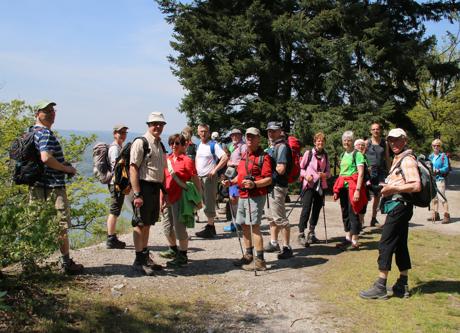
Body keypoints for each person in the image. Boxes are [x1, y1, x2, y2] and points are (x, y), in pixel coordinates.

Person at [360, 128, 421, 300]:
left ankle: (381, 285)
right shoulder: (399, 158)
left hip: (399, 206)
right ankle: (402, 284)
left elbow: (416, 185)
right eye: (391, 140)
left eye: (397, 140)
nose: (393, 143)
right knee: (400, 244)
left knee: (385, 242)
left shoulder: (407, 160)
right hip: (401, 206)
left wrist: (393, 188)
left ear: (405, 140)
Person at [29, 100, 83, 275]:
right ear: (37, 113)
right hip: (52, 187)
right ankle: (66, 263)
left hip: (36, 185)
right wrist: (66, 168)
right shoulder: (44, 133)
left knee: (35, 224)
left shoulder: (31, 132)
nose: (51, 113)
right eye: (46, 111)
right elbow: (45, 158)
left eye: (53, 110)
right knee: (61, 226)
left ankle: (29, 262)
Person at [222, 127, 272, 271]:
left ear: (258, 139)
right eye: (248, 136)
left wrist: (254, 184)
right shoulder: (245, 154)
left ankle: (260, 261)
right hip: (243, 194)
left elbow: (268, 179)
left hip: (255, 196)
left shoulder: (264, 157)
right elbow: (241, 175)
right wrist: (230, 182)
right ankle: (249, 255)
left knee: (254, 227)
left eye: (253, 137)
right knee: (244, 225)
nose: (249, 139)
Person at [130, 112, 167, 275]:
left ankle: (144, 256)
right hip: (143, 187)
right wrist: (137, 194)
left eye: (160, 124)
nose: (157, 126)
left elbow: (162, 171)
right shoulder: (141, 142)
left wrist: (163, 193)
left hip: (154, 188)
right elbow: (133, 168)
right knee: (140, 224)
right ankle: (138, 260)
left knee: (148, 223)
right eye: (154, 124)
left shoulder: (159, 144)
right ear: (148, 125)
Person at [159, 134, 202, 267]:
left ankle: (182, 255)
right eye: (171, 143)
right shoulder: (167, 159)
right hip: (167, 198)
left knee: (179, 228)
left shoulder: (187, 160)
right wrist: (161, 198)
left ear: (184, 145)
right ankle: (173, 249)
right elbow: (163, 180)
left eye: (177, 143)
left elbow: (194, 179)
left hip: (180, 198)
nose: (173, 146)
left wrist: (198, 197)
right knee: (166, 227)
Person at [333, 131, 367, 249]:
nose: (346, 142)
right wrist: (336, 189)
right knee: (345, 212)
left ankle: (355, 239)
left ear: (353, 142)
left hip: (353, 187)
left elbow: (361, 173)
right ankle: (347, 238)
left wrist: (358, 190)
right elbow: (342, 173)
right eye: (345, 140)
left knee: (354, 212)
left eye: (349, 140)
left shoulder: (357, 155)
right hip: (343, 187)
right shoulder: (343, 155)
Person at [264, 121, 293, 259]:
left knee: (280, 218)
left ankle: (287, 247)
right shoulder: (273, 146)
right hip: (271, 186)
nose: (271, 133)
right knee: (271, 217)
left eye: (274, 130)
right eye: (269, 130)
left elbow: (281, 169)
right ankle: (274, 242)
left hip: (277, 186)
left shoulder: (281, 147)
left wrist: (267, 176)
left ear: (280, 131)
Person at [194, 124, 229, 238]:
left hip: (209, 177)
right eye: (201, 131)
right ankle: (210, 226)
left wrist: (215, 170)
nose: (203, 133)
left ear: (209, 132)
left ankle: (210, 227)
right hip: (200, 177)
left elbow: (224, 157)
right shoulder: (200, 145)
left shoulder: (213, 145)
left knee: (209, 202)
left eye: (205, 131)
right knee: (205, 201)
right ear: (198, 132)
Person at [297, 132, 331, 247]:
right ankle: (301, 234)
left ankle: (311, 232)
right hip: (309, 185)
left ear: (324, 142)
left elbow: (329, 172)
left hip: (320, 185)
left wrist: (324, 175)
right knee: (306, 208)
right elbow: (300, 168)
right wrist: (306, 176)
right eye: (318, 140)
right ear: (315, 142)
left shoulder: (326, 155)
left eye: (322, 141)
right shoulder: (309, 153)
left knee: (317, 209)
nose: (320, 142)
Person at [105, 124, 129, 249]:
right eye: (120, 132)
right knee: (114, 211)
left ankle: (112, 237)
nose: (123, 135)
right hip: (116, 184)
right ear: (115, 134)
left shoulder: (120, 147)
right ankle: (111, 238)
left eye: (125, 133)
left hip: (118, 183)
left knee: (116, 210)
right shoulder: (114, 148)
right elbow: (117, 167)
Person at [365, 122, 390, 227]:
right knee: (365, 196)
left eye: (377, 129)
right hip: (369, 172)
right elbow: (360, 157)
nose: (375, 131)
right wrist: (365, 168)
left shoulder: (385, 143)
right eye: (373, 129)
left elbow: (387, 158)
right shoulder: (366, 143)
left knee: (378, 195)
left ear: (380, 130)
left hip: (380, 172)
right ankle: (360, 220)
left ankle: (373, 219)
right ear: (371, 131)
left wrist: (390, 172)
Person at [223, 128, 246, 232]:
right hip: (232, 174)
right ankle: (236, 222)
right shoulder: (232, 146)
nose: (234, 137)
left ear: (241, 135)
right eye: (232, 135)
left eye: (237, 135)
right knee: (233, 198)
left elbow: (245, 161)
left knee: (237, 198)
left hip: (239, 174)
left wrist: (232, 164)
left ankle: (239, 223)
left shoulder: (243, 146)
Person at [428, 139, 450, 224]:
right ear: (432, 146)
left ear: (440, 146)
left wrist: (438, 170)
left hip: (440, 179)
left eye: (438, 145)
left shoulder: (443, 156)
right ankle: (435, 215)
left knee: (442, 197)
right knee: (434, 198)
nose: (436, 147)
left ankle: (446, 216)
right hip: (432, 180)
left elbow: (446, 168)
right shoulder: (430, 156)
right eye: (434, 145)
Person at [355, 138, 370, 230]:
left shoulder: (365, 157)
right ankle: (356, 223)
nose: (360, 146)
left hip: (365, 184)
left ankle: (360, 223)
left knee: (364, 204)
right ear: (355, 146)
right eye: (358, 145)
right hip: (355, 184)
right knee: (356, 203)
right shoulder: (353, 156)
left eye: (362, 145)